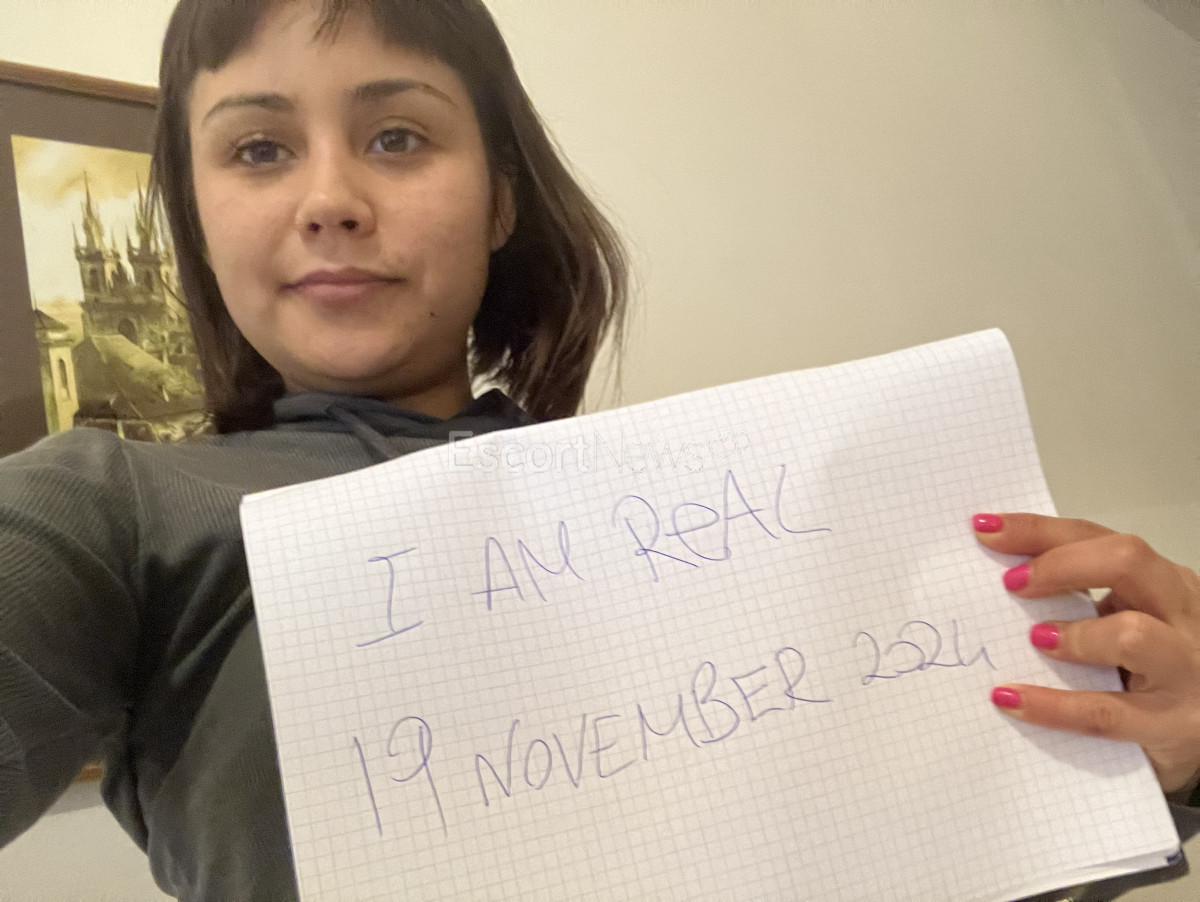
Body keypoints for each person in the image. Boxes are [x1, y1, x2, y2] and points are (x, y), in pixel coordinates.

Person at [0, 1, 1196, 900]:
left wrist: (1168, 756)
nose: (331, 198)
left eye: (399, 137)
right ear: (197, 214)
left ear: (500, 200)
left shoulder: (707, 526)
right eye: (258, 150)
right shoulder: (112, 508)